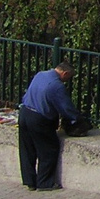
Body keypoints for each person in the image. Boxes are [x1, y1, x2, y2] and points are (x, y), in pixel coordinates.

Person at [18, 61, 81, 191]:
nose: (66, 81)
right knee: (48, 149)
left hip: (24, 113)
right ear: (65, 73)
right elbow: (66, 108)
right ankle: (45, 183)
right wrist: (76, 119)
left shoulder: (40, 74)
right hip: (39, 119)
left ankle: (29, 181)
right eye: (68, 78)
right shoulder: (56, 86)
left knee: (27, 149)